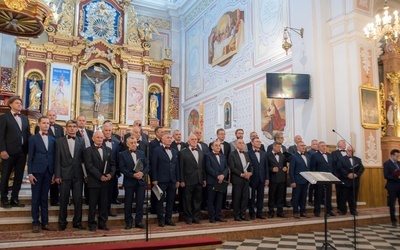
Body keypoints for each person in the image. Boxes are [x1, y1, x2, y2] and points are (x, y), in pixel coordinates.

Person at [0, 96, 31, 208]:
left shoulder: (24, 118)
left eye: (20, 103)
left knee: (18, 177)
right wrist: (2, 150)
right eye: (17, 103)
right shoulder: (4, 117)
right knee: (5, 176)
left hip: (22, 152)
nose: (19, 105)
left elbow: (27, 135)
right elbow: (1, 135)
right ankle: (4, 199)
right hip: (8, 152)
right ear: (10, 104)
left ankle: (14, 198)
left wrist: (29, 151)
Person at [54, 120, 86, 231]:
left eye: (74, 126)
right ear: (66, 128)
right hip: (64, 174)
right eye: (70, 126)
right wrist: (57, 175)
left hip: (78, 175)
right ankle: (62, 222)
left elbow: (84, 159)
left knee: (78, 200)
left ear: (77, 128)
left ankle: (77, 222)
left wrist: (85, 175)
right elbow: (57, 159)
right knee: (63, 199)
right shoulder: (59, 141)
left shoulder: (81, 141)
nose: (72, 128)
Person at [28, 116, 57, 233]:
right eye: (44, 123)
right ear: (39, 124)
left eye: (48, 123)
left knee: (44, 198)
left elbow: (54, 157)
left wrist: (54, 173)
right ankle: (35, 223)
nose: (46, 125)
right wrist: (30, 173)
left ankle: (45, 223)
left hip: (48, 172)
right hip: (37, 171)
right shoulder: (33, 139)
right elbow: (30, 157)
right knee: (35, 198)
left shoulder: (53, 139)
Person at [84, 131, 116, 231]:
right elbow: (89, 166)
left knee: (104, 204)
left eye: (101, 138)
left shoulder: (108, 149)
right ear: (93, 139)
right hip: (94, 182)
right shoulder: (88, 150)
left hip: (106, 182)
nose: (99, 139)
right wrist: (100, 176)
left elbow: (113, 164)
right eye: (97, 137)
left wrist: (110, 174)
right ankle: (92, 224)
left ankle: (102, 223)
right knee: (92, 205)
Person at [35, 110, 64, 206]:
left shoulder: (60, 128)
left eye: (53, 115)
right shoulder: (39, 127)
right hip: (46, 156)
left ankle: (55, 200)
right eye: (50, 115)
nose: (52, 117)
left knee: (55, 177)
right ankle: (41, 199)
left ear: (56, 117)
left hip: (57, 155)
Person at [151, 133, 180, 227]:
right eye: (168, 138)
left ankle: (168, 219)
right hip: (161, 180)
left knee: (171, 200)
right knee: (160, 200)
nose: (170, 139)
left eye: (170, 138)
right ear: (162, 140)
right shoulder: (156, 151)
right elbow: (154, 166)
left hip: (172, 180)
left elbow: (176, 167)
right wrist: (154, 179)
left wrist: (178, 180)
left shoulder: (175, 151)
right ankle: (160, 220)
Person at [119, 136, 148, 229]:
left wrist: (142, 173)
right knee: (128, 203)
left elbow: (147, 166)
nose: (133, 144)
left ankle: (139, 221)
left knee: (140, 202)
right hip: (129, 182)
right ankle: (128, 222)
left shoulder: (142, 153)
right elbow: (122, 168)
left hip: (140, 182)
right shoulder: (122, 154)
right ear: (127, 144)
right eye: (131, 143)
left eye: (135, 142)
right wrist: (132, 175)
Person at [179, 134, 206, 224]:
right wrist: (181, 180)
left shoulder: (201, 152)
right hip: (188, 180)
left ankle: (196, 217)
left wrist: (204, 179)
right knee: (187, 200)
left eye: (196, 139)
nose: (194, 141)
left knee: (197, 200)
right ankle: (188, 217)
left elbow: (203, 167)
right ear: (188, 141)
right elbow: (181, 167)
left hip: (199, 179)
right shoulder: (183, 152)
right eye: (192, 139)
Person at [336, 146, 364, 216]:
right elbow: (340, 168)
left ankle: (353, 210)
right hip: (345, 181)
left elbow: (362, 168)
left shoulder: (358, 159)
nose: (350, 152)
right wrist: (347, 174)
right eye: (349, 150)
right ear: (346, 151)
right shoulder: (341, 159)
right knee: (343, 197)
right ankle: (343, 210)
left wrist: (356, 174)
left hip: (354, 181)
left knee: (354, 197)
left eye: (352, 151)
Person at [229, 139, 252, 221]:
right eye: (240, 143)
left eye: (243, 143)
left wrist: (250, 173)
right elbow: (232, 167)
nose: (242, 144)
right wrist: (241, 174)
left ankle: (243, 214)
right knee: (237, 197)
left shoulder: (246, 154)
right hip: (237, 179)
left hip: (246, 179)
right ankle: (236, 215)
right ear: (236, 145)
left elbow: (250, 165)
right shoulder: (232, 154)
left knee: (245, 198)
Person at [310, 141, 335, 217]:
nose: (324, 147)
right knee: (318, 195)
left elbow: (332, 166)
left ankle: (328, 210)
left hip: (329, 178)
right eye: (322, 146)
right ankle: (317, 211)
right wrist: (315, 178)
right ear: (318, 147)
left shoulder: (330, 155)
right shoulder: (314, 155)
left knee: (328, 195)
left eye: (325, 145)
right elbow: (313, 167)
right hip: (319, 179)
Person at [205, 141, 228, 223]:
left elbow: (226, 167)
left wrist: (223, 175)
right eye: (216, 145)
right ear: (212, 147)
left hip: (221, 181)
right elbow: (208, 168)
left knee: (219, 199)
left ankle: (218, 216)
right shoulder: (207, 155)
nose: (218, 147)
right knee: (211, 200)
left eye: (219, 145)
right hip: (212, 180)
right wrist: (217, 175)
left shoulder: (223, 156)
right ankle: (211, 217)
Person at [102, 124, 121, 216]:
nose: (108, 132)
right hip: (100, 172)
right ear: (103, 131)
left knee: (110, 193)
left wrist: (116, 172)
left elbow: (117, 158)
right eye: (106, 130)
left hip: (112, 172)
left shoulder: (116, 143)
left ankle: (108, 211)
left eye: (109, 130)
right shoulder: (98, 141)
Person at [248, 137, 269, 220]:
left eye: (259, 141)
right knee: (252, 197)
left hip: (262, 178)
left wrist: (267, 178)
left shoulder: (264, 153)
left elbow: (266, 167)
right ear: (252, 143)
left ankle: (259, 213)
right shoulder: (248, 153)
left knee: (261, 196)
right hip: (253, 178)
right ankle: (252, 213)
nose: (259, 143)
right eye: (257, 141)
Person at [266, 142, 288, 218]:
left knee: (281, 196)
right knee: (272, 196)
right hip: (273, 179)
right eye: (278, 147)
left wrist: (286, 168)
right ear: (274, 147)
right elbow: (266, 167)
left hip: (282, 178)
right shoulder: (268, 155)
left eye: (280, 147)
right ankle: (271, 212)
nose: (280, 149)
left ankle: (280, 211)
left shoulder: (282, 155)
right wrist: (272, 169)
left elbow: (285, 165)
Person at [210, 128, 231, 210]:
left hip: (224, 171)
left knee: (223, 190)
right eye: (221, 134)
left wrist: (225, 172)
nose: (223, 135)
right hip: (214, 174)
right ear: (217, 135)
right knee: (214, 193)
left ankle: (222, 205)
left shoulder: (227, 145)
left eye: (224, 134)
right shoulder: (212, 144)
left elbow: (228, 157)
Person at [289, 141, 311, 218]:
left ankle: (303, 211)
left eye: (304, 145)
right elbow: (291, 170)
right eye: (301, 145)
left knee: (304, 197)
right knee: (296, 197)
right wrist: (292, 181)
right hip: (297, 180)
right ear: (297, 147)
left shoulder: (307, 156)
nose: (303, 147)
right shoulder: (294, 156)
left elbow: (308, 169)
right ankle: (295, 211)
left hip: (306, 180)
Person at [383, 149, 400, 227]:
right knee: (392, 204)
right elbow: (386, 175)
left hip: (399, 186)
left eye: (398, 156)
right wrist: (396, 177)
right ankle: (393, 220)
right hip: (392, 186)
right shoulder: (387, 164)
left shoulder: (399, 163)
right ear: (392, 155)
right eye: (396, 156)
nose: (398, 157)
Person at [331, 139, 347, 214]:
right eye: (343, 143)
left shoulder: (347, 152)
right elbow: (335, 163)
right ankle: (340, 208)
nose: (345, 144)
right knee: (339, 193)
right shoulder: (334, 153)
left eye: (345, 143)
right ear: (339, 145)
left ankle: (346, 207)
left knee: (347, 193)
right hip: (339, 175)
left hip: (347, 176)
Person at [306, 139, 319, 206]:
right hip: (312, 171)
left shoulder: (319, 152)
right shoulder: (309, 152)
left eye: (316, 144)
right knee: (312, 187)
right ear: (311, 145)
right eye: (314, 144)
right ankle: (310, 200)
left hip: (319, 172)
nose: (315, 145)